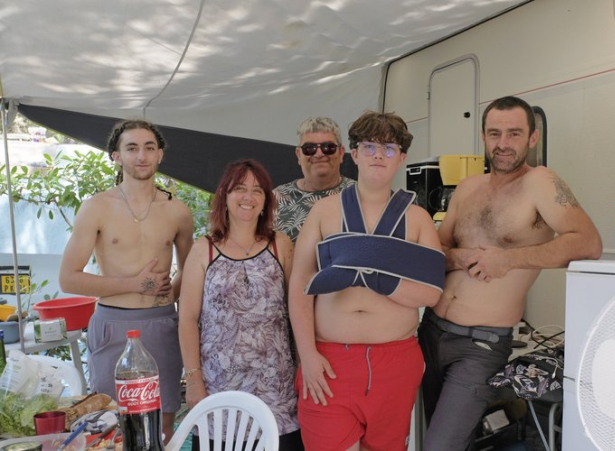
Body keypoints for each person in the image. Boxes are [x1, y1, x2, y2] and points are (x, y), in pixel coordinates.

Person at [418, 96, 603, 450]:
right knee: (440, 438)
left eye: (514, 133)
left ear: (532, 138)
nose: (503, 144)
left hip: (480, 344)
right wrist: (460, 257)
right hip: (432, 330)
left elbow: (588, 243)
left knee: (439, 447)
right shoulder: (468, 188)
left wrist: (509, 259)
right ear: (484, 137)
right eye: (494, 133)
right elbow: (435, 255)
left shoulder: (541, 183)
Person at [289, 111, 445, 451]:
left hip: (394, 361)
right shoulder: (323, 212)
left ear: (402, 158)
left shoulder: (417, 219)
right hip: (329, 362)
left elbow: (432, 293)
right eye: (370, 146)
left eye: (389, 148)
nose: (378, 154)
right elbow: (300, 290)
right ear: (354, 154)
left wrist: (379, 279)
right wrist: (308, 355)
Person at [59, 119, 194, 443]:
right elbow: (68, 278)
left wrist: (168, 296)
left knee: (161, 427)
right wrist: (135, 285)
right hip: (112, 324)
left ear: (160, 154)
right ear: (116, 156)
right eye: (131, 148)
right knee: (109, 427)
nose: (141, 156)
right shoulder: (96, 207)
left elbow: (190, 273)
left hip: (161, 323)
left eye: (149, 148)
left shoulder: (178, 211)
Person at [178, 159, 303, 450]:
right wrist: (194, 380)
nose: (248, 197)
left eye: (257, 190)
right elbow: (187, 318)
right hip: (218, 388)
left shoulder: (280, 245)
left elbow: (297, 309)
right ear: (224, 196)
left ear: (265, 202)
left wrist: (301, 364)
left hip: (277, 389)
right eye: (239, 189)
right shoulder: (203, 249)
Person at [274, 117, 356, 243]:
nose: (319, 154)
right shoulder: (275, 199)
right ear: (298, 155)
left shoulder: (359, 195)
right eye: (309, 148)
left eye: (328, 147)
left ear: (341, 153)